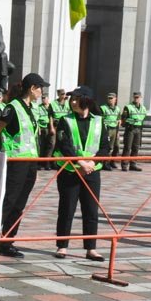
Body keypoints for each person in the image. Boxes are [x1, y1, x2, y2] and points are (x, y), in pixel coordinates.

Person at [0, 73, 50, 258]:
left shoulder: (32, 109)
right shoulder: (12, 108)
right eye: (40, 88)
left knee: (20, 204)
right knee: (8, 202)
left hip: (30, 163)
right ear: (32, 88)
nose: (42, 92)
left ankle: (7, 241)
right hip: (16, 163)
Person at [52, 86, 108, 261]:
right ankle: (62, 245)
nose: (72, 101)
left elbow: (106, 146)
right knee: (67, 209)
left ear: (87, 101)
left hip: (92, 171)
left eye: (76, 98)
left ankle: (91, 248)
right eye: (71, 98)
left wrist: (93, 162)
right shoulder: (65, 120)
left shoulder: (99, 121)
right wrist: (80, 162)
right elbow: (64, 145)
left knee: (91, 210)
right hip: (70, 170)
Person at [120, 92, 146, 170]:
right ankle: (124, 165)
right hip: (130, 129)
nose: (136, 99)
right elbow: (124, 120)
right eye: (135, 97)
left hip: (138, 129)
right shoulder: (128, 107)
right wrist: (132, 121)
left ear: (141, 98)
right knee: (127, 147)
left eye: (138, 97)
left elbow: (143, 118)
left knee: (136, 147)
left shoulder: (143, 108)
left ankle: (133, 164)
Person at [99, 92, 122, 166]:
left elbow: (119, 119)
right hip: (107, 129)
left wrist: (118, 131)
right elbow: (100, 119)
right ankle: (105, 163)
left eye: (111, 98)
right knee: (108, 147)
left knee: (116, 146)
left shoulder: (118, 109)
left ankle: (112, 162)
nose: (110, 100)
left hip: (115, 129)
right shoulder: (103, 108)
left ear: (115, 99)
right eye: (108, 98)